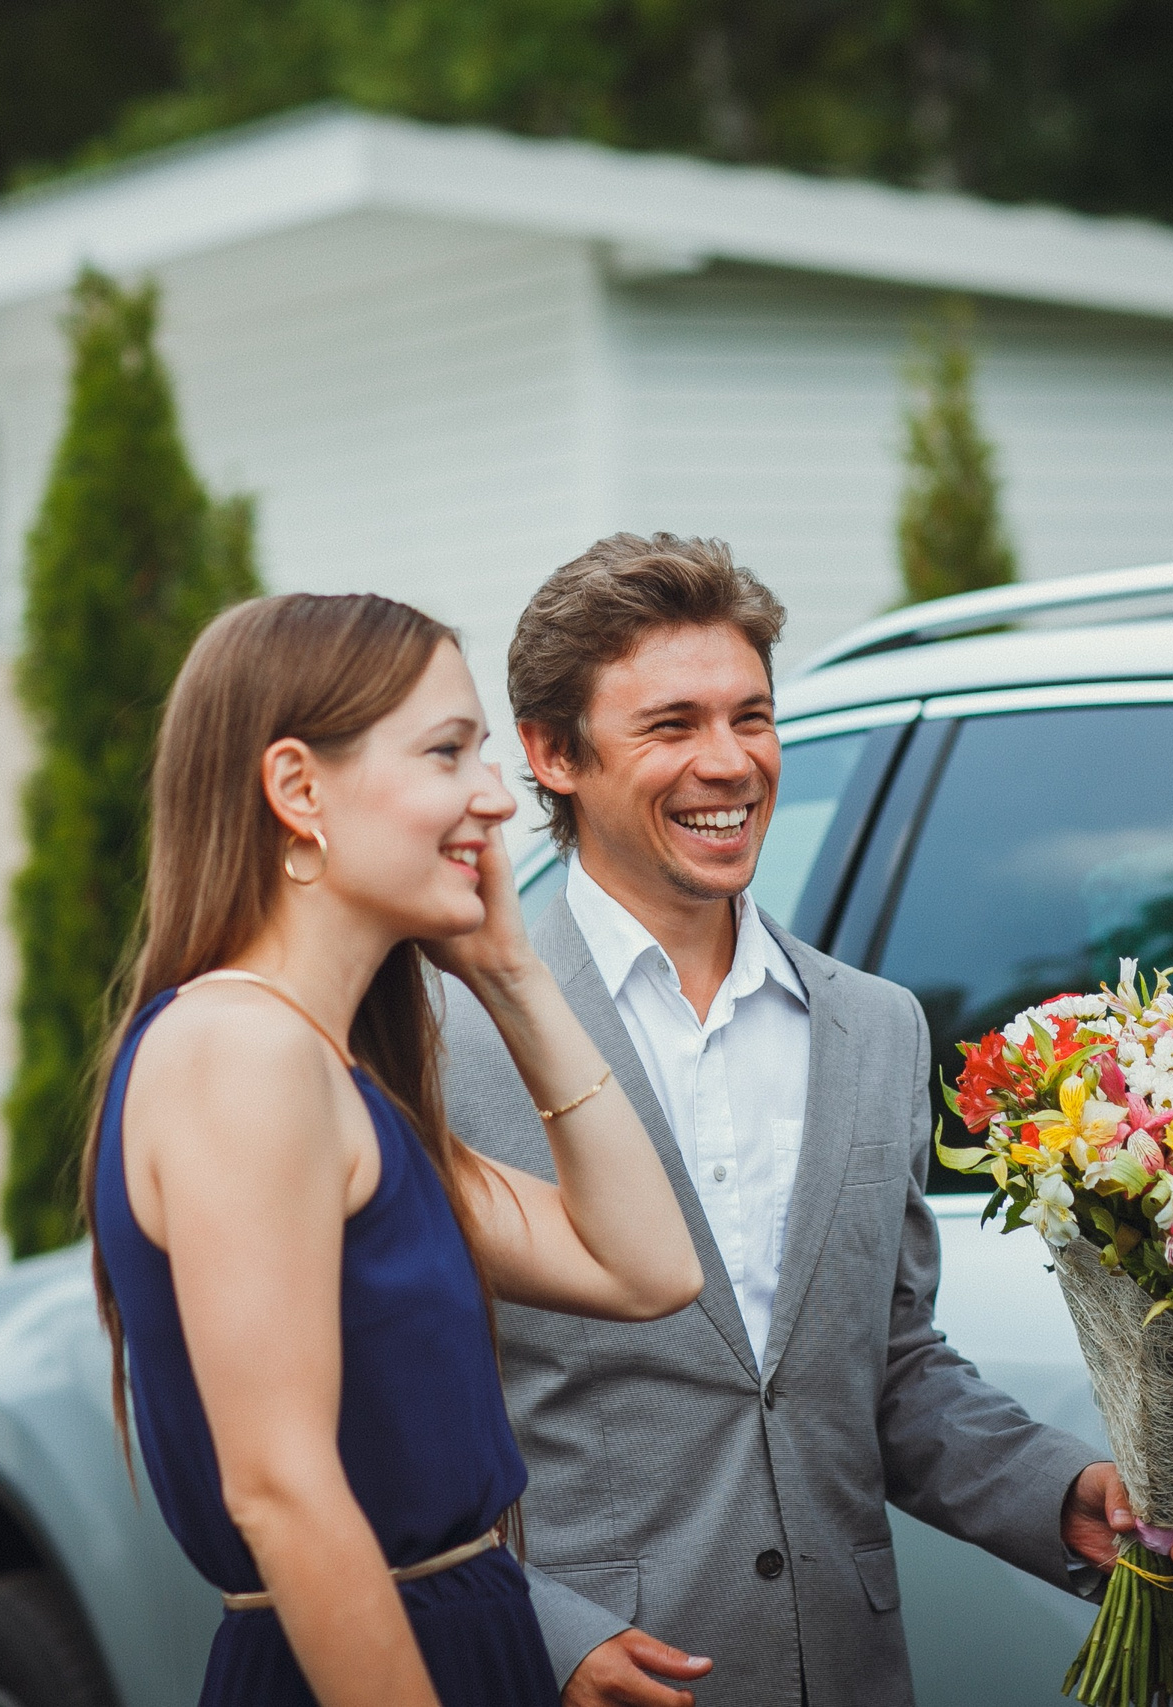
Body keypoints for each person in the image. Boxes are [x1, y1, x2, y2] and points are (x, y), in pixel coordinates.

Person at [438, 533, 1173, 1707]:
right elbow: (393, 1414)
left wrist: (1053, 1495)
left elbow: (888, 1368)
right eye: (672, 726)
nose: (730, 763)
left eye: (750, 717)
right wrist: (545, 1635)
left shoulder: (875, 1029)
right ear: (554, 754)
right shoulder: (440, 1042)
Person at [82, 592, 707, 1707]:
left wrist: (515, 979)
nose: (493, 797)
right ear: (297, 788)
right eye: (447, 751)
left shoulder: (329, 1071)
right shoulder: (243, 1053)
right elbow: (282, 1491)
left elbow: (648, 1268)